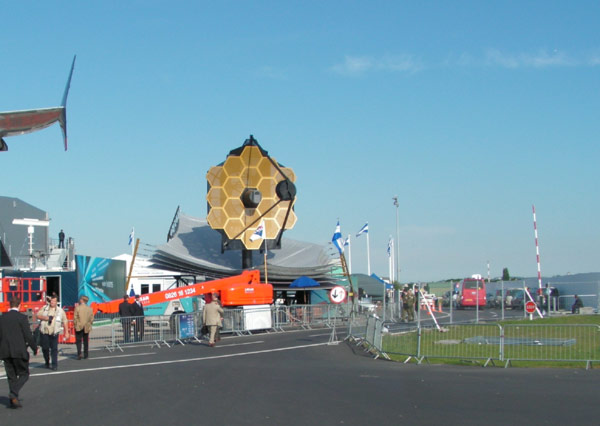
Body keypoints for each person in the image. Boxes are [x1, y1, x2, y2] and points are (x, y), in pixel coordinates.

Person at [0, 297, 38, 408]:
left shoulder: (2, 318)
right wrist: (34, 347)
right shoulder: (22, 318)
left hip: (5, 351)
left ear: (9, 305)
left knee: (11, 376)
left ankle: (14, 399)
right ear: (19, 305)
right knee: (24, 374)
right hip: (19, 350)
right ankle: (14, 393)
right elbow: (28, 335)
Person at [35, 293, 69, 371]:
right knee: (45, 348)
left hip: (54, 332)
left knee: (54, 349)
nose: (52, 302)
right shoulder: (44, 308)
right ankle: (47, 361)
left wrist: (66, 332)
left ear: (56, 302)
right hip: (45, 332)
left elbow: (65, 321)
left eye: (54, 301)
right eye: (51, 301)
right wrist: (46, 318)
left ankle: (54, 365)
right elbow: (38, 315)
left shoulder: (60, 311)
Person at [73, 295, 94, 360]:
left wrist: (76, 324)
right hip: (86, 326)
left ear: (82, 300)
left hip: (79, 326)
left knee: (78, 341)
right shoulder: (90, 309)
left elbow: (75, 317)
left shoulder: (77, 308)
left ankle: (79, 353)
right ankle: (86, 354)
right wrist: (89, 323)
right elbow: (91, 318)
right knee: (85, 341)